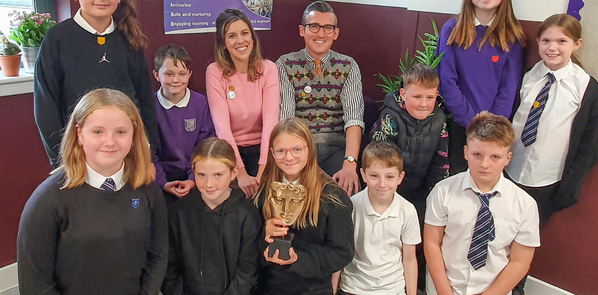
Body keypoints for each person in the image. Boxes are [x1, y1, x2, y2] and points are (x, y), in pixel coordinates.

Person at [17, 88, 168, 295]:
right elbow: (35, 283)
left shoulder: (148, 189)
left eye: (121, 132)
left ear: (133, 136)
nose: (110, 142)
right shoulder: (47, 201)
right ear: (79, 134)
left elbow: (158, 255)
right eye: (98, 132)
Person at [34, 0, 158, 168]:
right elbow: (46, 109)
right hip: (79, 160)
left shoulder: (129, 39)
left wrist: (148, 150)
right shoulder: (57, 39)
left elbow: (145, 100)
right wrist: (63, 162)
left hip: (127, 156)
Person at [424, 111, 540, 295]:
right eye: (477, 154)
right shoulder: (443, 191)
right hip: (446, 286)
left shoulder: (525, 205)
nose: (485, 164)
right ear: (466, 152)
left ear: (507, 158)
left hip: (492, 289)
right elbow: (431, 243)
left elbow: (520, 261)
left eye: (495, 157)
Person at [506, 14, 598, 223]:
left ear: (577, 44)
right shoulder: (528, 76)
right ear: (538, 41)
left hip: (547, 180)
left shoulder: (586, 87)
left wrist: (570, 185)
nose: (552, 48)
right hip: (509, 170)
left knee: (527, 235)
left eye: (562, 41)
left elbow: (589, 142)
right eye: (546, 40)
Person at [437, 0, 525, 175]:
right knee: (457, 181)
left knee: (485, 181)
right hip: (458, 124)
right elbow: (447, 79)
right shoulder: (452, 29)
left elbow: (509, 86)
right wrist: (470, 120)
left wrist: (491, 124)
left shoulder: (512, 35)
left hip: (494, 128)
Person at [253, 118, 354, 295]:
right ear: (272, 152)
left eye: (297, 149)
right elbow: (248, 248)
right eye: (281, 151)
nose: (289, 157)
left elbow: (342, 253)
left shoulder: (332, 196)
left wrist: (298, 259)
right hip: (269, 288)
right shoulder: (263, 193)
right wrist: (264, 235)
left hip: (313, 289)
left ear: (310, 149)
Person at [277, 1, 365, 196]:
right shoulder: (285, 64)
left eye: (328, 28)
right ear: (302, 30)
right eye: (314, 26)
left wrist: (350, 164)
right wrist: (296, 161)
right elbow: (286, 121)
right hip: (299, 148)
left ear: (336, 33)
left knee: (344, 193)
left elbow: (354, 119)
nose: (321, 33)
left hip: (336, 148)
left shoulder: (348, 66)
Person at [161, 137, 261, 295]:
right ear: (193, 170)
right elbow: (169, 265)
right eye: (201, 175)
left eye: (218, 175)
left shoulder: (248, 215)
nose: (209, 184)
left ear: (233, 172)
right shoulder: (179, 212)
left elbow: (248, 271)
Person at [206, 8, 279, 198]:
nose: (240, 41)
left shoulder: (269, 69)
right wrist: (241, 173)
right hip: (229, 151)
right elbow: (222, 128)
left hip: (263, 150)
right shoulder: (214, 72)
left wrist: (262, 172)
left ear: (253, 38)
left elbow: (271, 123)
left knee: (267, 196)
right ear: (223, 44)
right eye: (232, 36)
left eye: (245, 33)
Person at [339, 141, 420, 295]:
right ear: (363, 175)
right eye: (374, 176)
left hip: (392, 289)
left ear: (400, 177)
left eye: (389, 176)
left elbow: (409, 259)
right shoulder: (351, 206)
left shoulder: (407, 210)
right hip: (353, 288)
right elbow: (341, 252)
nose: (382, 184)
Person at [371, 63, 448, 220]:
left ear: (436, 95)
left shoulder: (439, 119)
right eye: (417, 97)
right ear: (403, 94)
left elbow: (441, 163)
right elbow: (380, 161)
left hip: (420, 192)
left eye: (430, 98)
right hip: (388, 190)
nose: (424, 104)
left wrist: (434, 197)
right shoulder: (391, 117)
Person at [153, 43, 215, 203]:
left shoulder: (201, 104)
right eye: (168, 74)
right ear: (156, 75)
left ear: (190, 74)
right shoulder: (148, 107)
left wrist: (193, 179)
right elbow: (147, 153)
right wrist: (162, 182)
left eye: (182, 74)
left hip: (195, 177)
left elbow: (205, 147)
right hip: (158, 179)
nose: (175, 80)